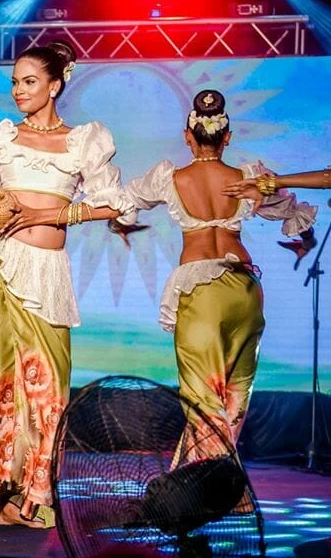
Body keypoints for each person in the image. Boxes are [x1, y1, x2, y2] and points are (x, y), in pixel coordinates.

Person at [0, 41, 138, 528]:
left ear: (56, 84)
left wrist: (51, 213)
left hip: (47, 267)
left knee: (46, 379)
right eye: (14, 82)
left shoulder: (85, 141)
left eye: (29, 81)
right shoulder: (0, 137)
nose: (18, 91)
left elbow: (116, 205)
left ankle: (30, 495)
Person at [122, 89, 316, 466]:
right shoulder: (249, 179)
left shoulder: (170, 178)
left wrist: (118, 223)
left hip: (202, 290)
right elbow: (294, 215)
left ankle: (207, 488)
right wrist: (305, 241)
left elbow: (126, 202)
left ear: (187, 136)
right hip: (245, 288)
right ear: (227, 137)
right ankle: (213, 482)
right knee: (235, 393)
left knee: (202, 395)